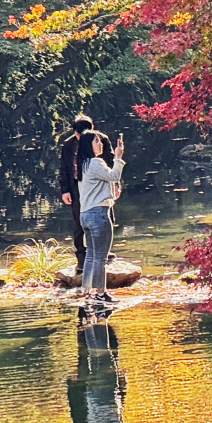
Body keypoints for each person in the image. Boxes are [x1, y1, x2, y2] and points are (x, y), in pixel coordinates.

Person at [77, 129, 125, 302]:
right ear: (88, 145)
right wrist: (118, 157)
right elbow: (114, 176)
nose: (100, 143)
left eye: (100, 140)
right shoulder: (95, 163)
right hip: (98, 213)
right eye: (96, 141)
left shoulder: (83, 165)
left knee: (90, 254)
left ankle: (86, 290)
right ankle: (100, 293)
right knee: (100, 257)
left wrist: (112, 194)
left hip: (85, 214)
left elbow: (99, 185)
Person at [60, 115, 94, 271]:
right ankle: (81, 257)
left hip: (96, 185)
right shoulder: (68, 145)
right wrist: (65, 190)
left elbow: (110, 162)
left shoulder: (99, 141)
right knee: (79, 221)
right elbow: (64, 169)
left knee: (102, 218)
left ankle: (102, 252)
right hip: (76, 185)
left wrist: (115, 185)